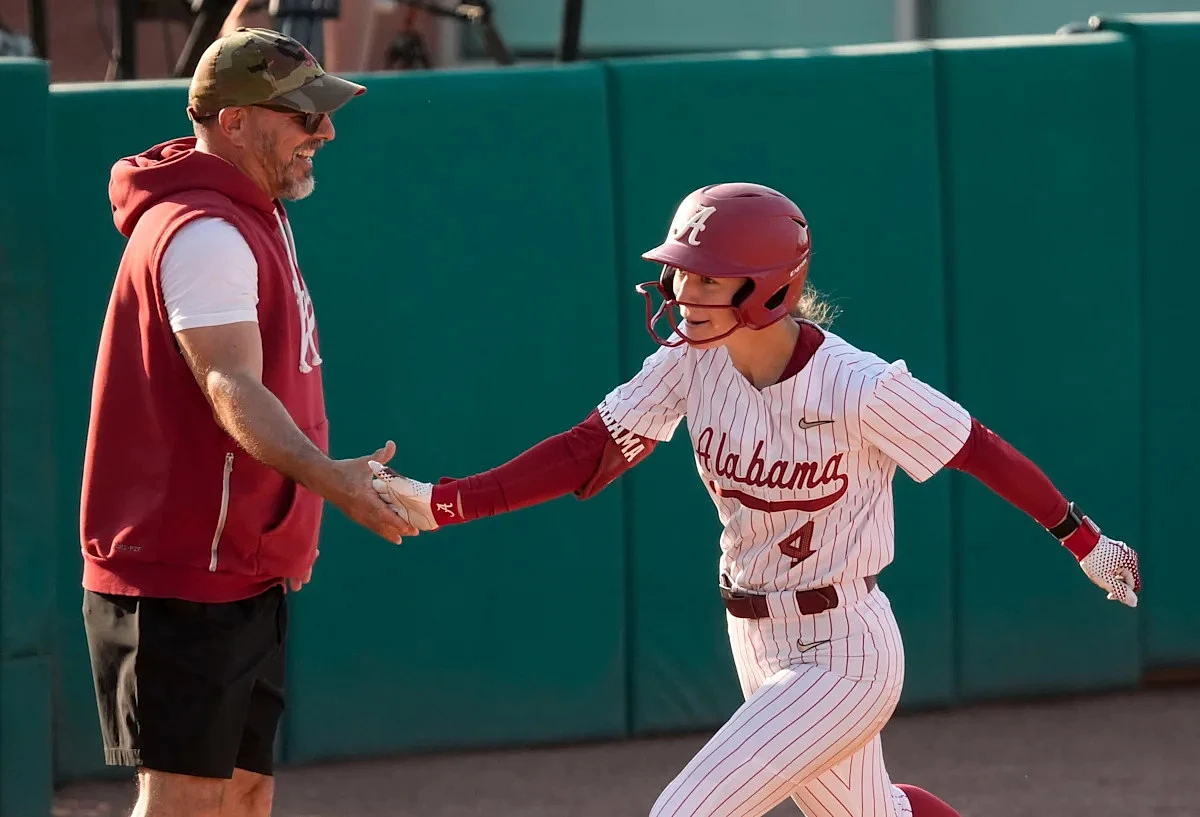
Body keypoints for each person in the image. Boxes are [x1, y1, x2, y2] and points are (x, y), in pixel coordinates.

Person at [370, 182, 1142, 817]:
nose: (681, 290)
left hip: (847, 648)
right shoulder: (689, 360)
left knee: (686, 812)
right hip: (756, 639)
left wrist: (1085, 540)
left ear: (769, 285)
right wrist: (443, 502)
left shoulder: (859, 385)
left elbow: (981, 450)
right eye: (679, 271)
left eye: (707, 276)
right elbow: (588, 449)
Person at [79, 27, 417, 817]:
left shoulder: (251, 210)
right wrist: (333, 481)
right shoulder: (205, 231)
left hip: (237, 563)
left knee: (240, 797)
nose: (324, 131)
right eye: (303, 116)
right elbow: (231, 385)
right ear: (234, 121)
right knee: (185, 802)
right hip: (182, 569)